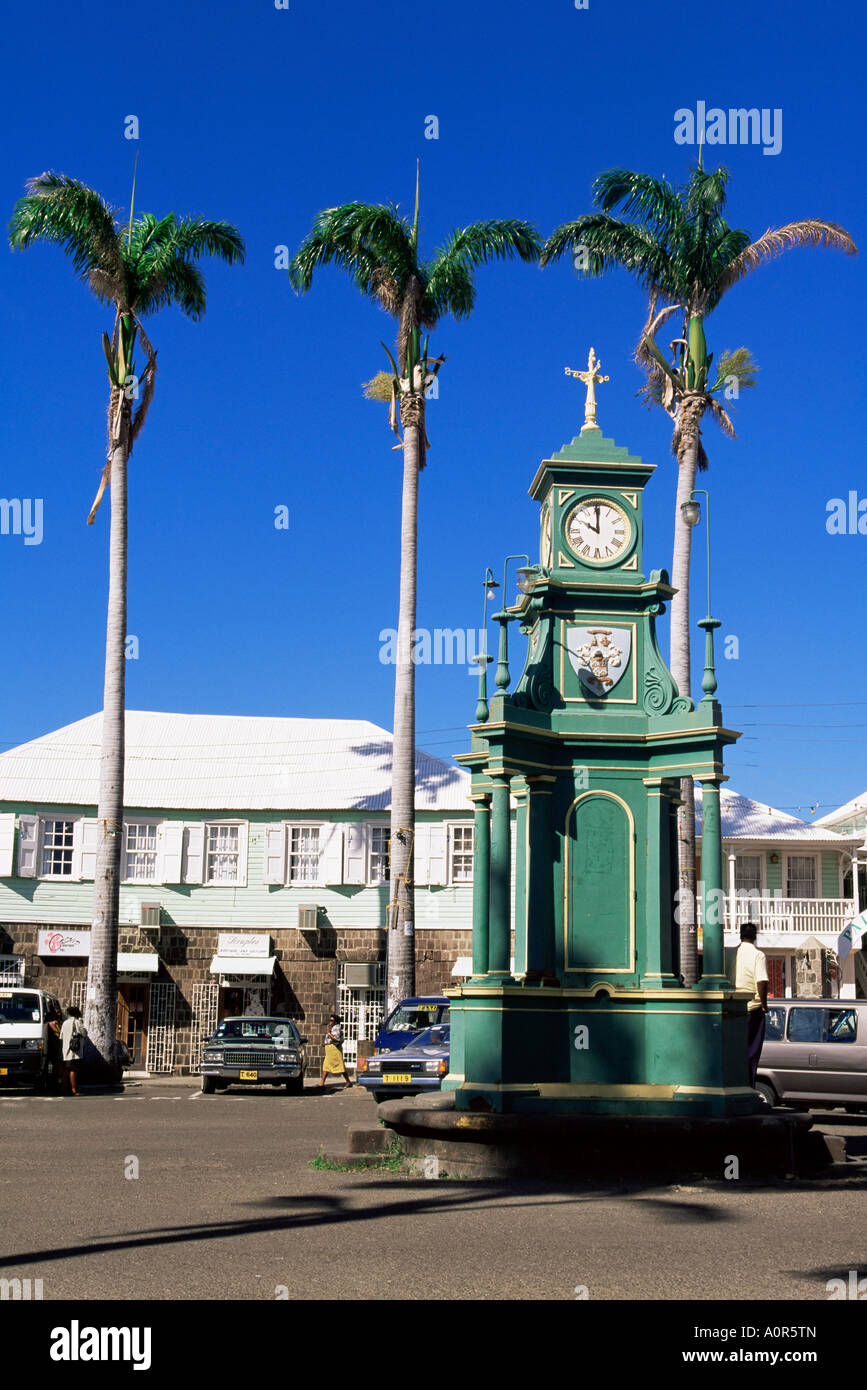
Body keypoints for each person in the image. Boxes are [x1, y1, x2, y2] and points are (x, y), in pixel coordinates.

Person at [735, 922, 769, 1087]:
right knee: (751, 1052)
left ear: (740, 935)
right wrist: (764, 1004)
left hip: (734, 1008)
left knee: (735, 1051)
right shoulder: (758, 955)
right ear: (755, 937)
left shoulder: (732, 953)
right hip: (752, 1009)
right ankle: (748, 1084)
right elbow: (761, 982)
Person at [319, 1013, 353, 1091]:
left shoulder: (337, 1027)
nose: (330, 1022)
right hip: (330, 1049)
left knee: (337, 1065)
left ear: (335, 1021)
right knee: (327, 1065)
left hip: (334, 1049)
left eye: (332, 1020)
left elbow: (336, 1038)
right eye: (330, 1020)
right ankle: (322, 1082)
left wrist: (329, 1033)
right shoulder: (333, 1027)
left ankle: (347, 1081)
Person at [59, 1005, 86, 1096]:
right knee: (73, 1070)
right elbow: (84, 1033)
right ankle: (74, 1089)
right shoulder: (77, 1022)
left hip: (65, 1050)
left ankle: (64, 1089)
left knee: (66, 1070)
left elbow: (61, 1036)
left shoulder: (64, 1023)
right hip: (74, 1051)